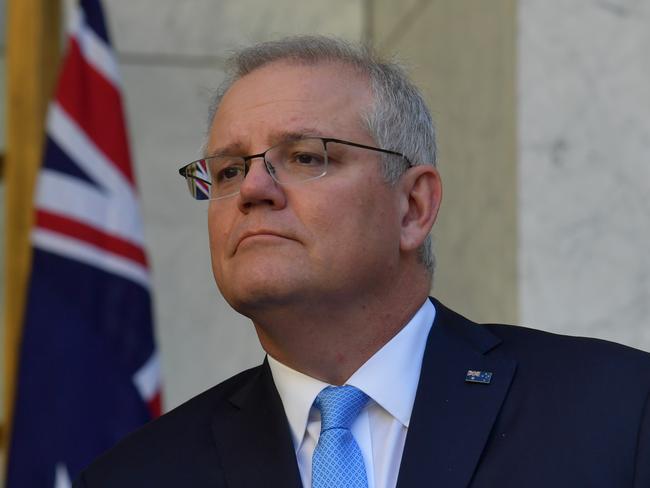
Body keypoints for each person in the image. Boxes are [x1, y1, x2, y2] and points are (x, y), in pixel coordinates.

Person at [74, 36, 650, 488]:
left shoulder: (615, 412)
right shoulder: (134, 476)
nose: (251, 189)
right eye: (227, 170)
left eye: (302, 156)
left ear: (413, 207)